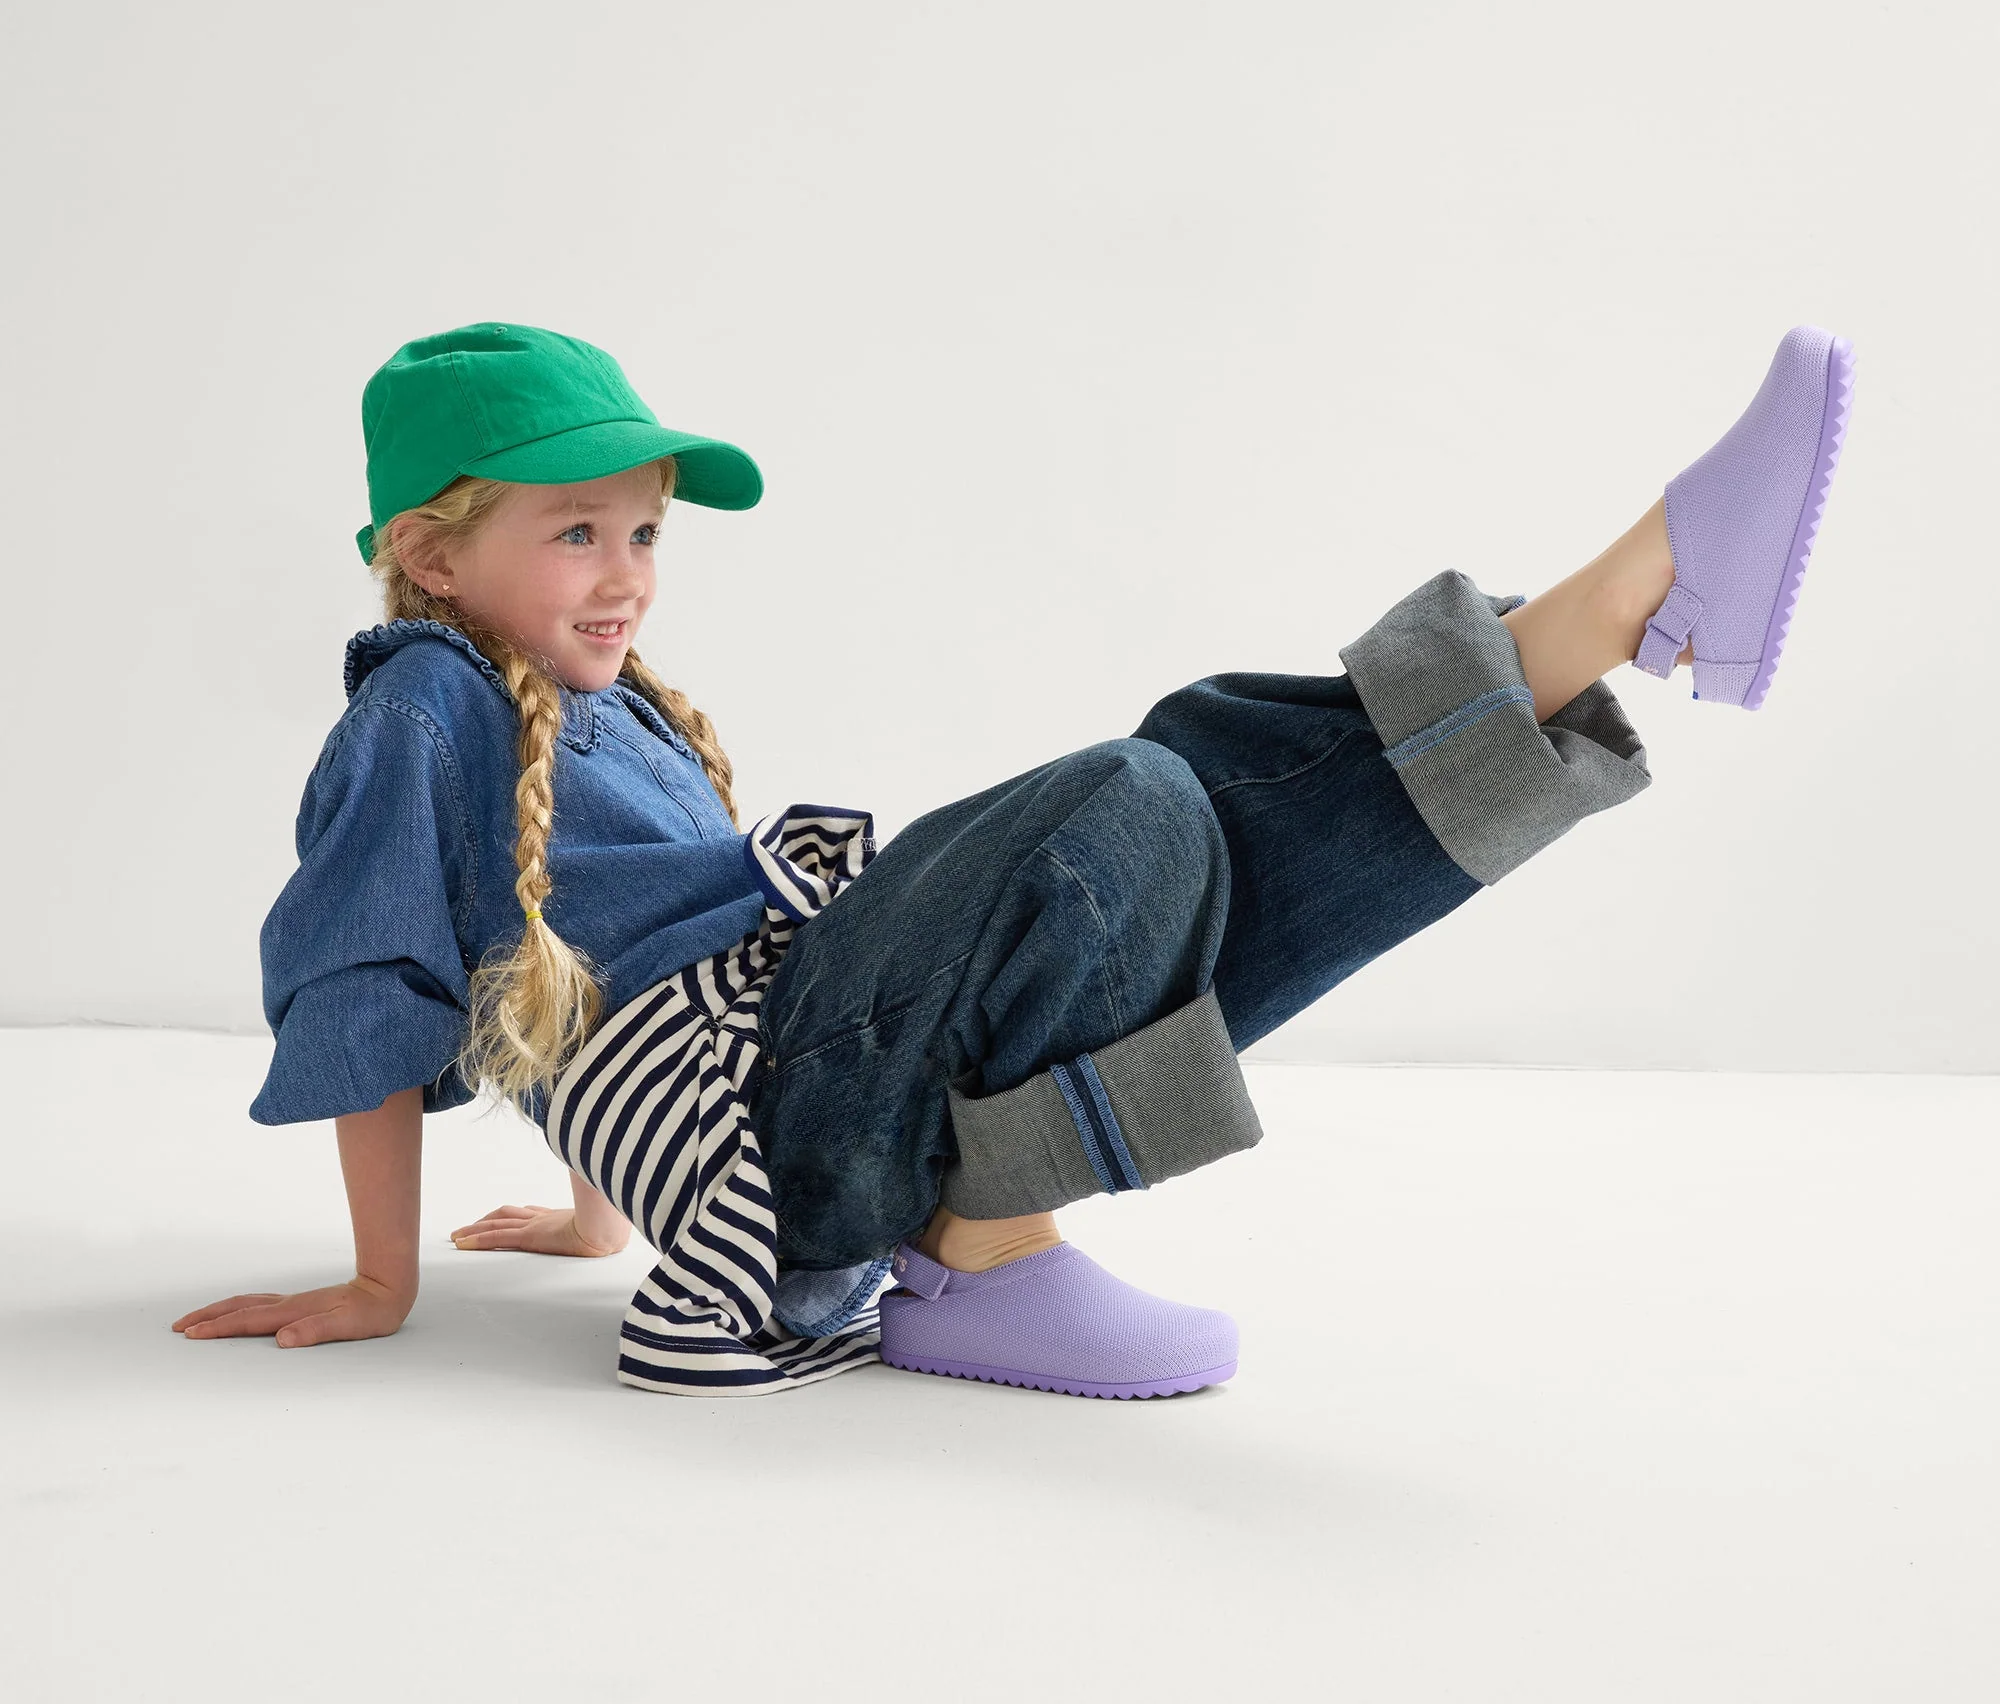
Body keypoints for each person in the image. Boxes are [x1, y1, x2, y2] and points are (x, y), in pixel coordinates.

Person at [173, 318, 1857, 1398]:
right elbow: (370, 974)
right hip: (793, 1143)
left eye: (643, 531)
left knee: (1201, 798)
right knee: (1135, 797)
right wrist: (380, 1282)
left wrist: (592, 1208)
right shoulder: (421, 707)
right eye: (574, 533)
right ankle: (983, 1249)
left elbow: (574, 958)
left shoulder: (596, 707)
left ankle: (1628, 604)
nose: (627, 574)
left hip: (804, 1096)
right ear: (431, 555)